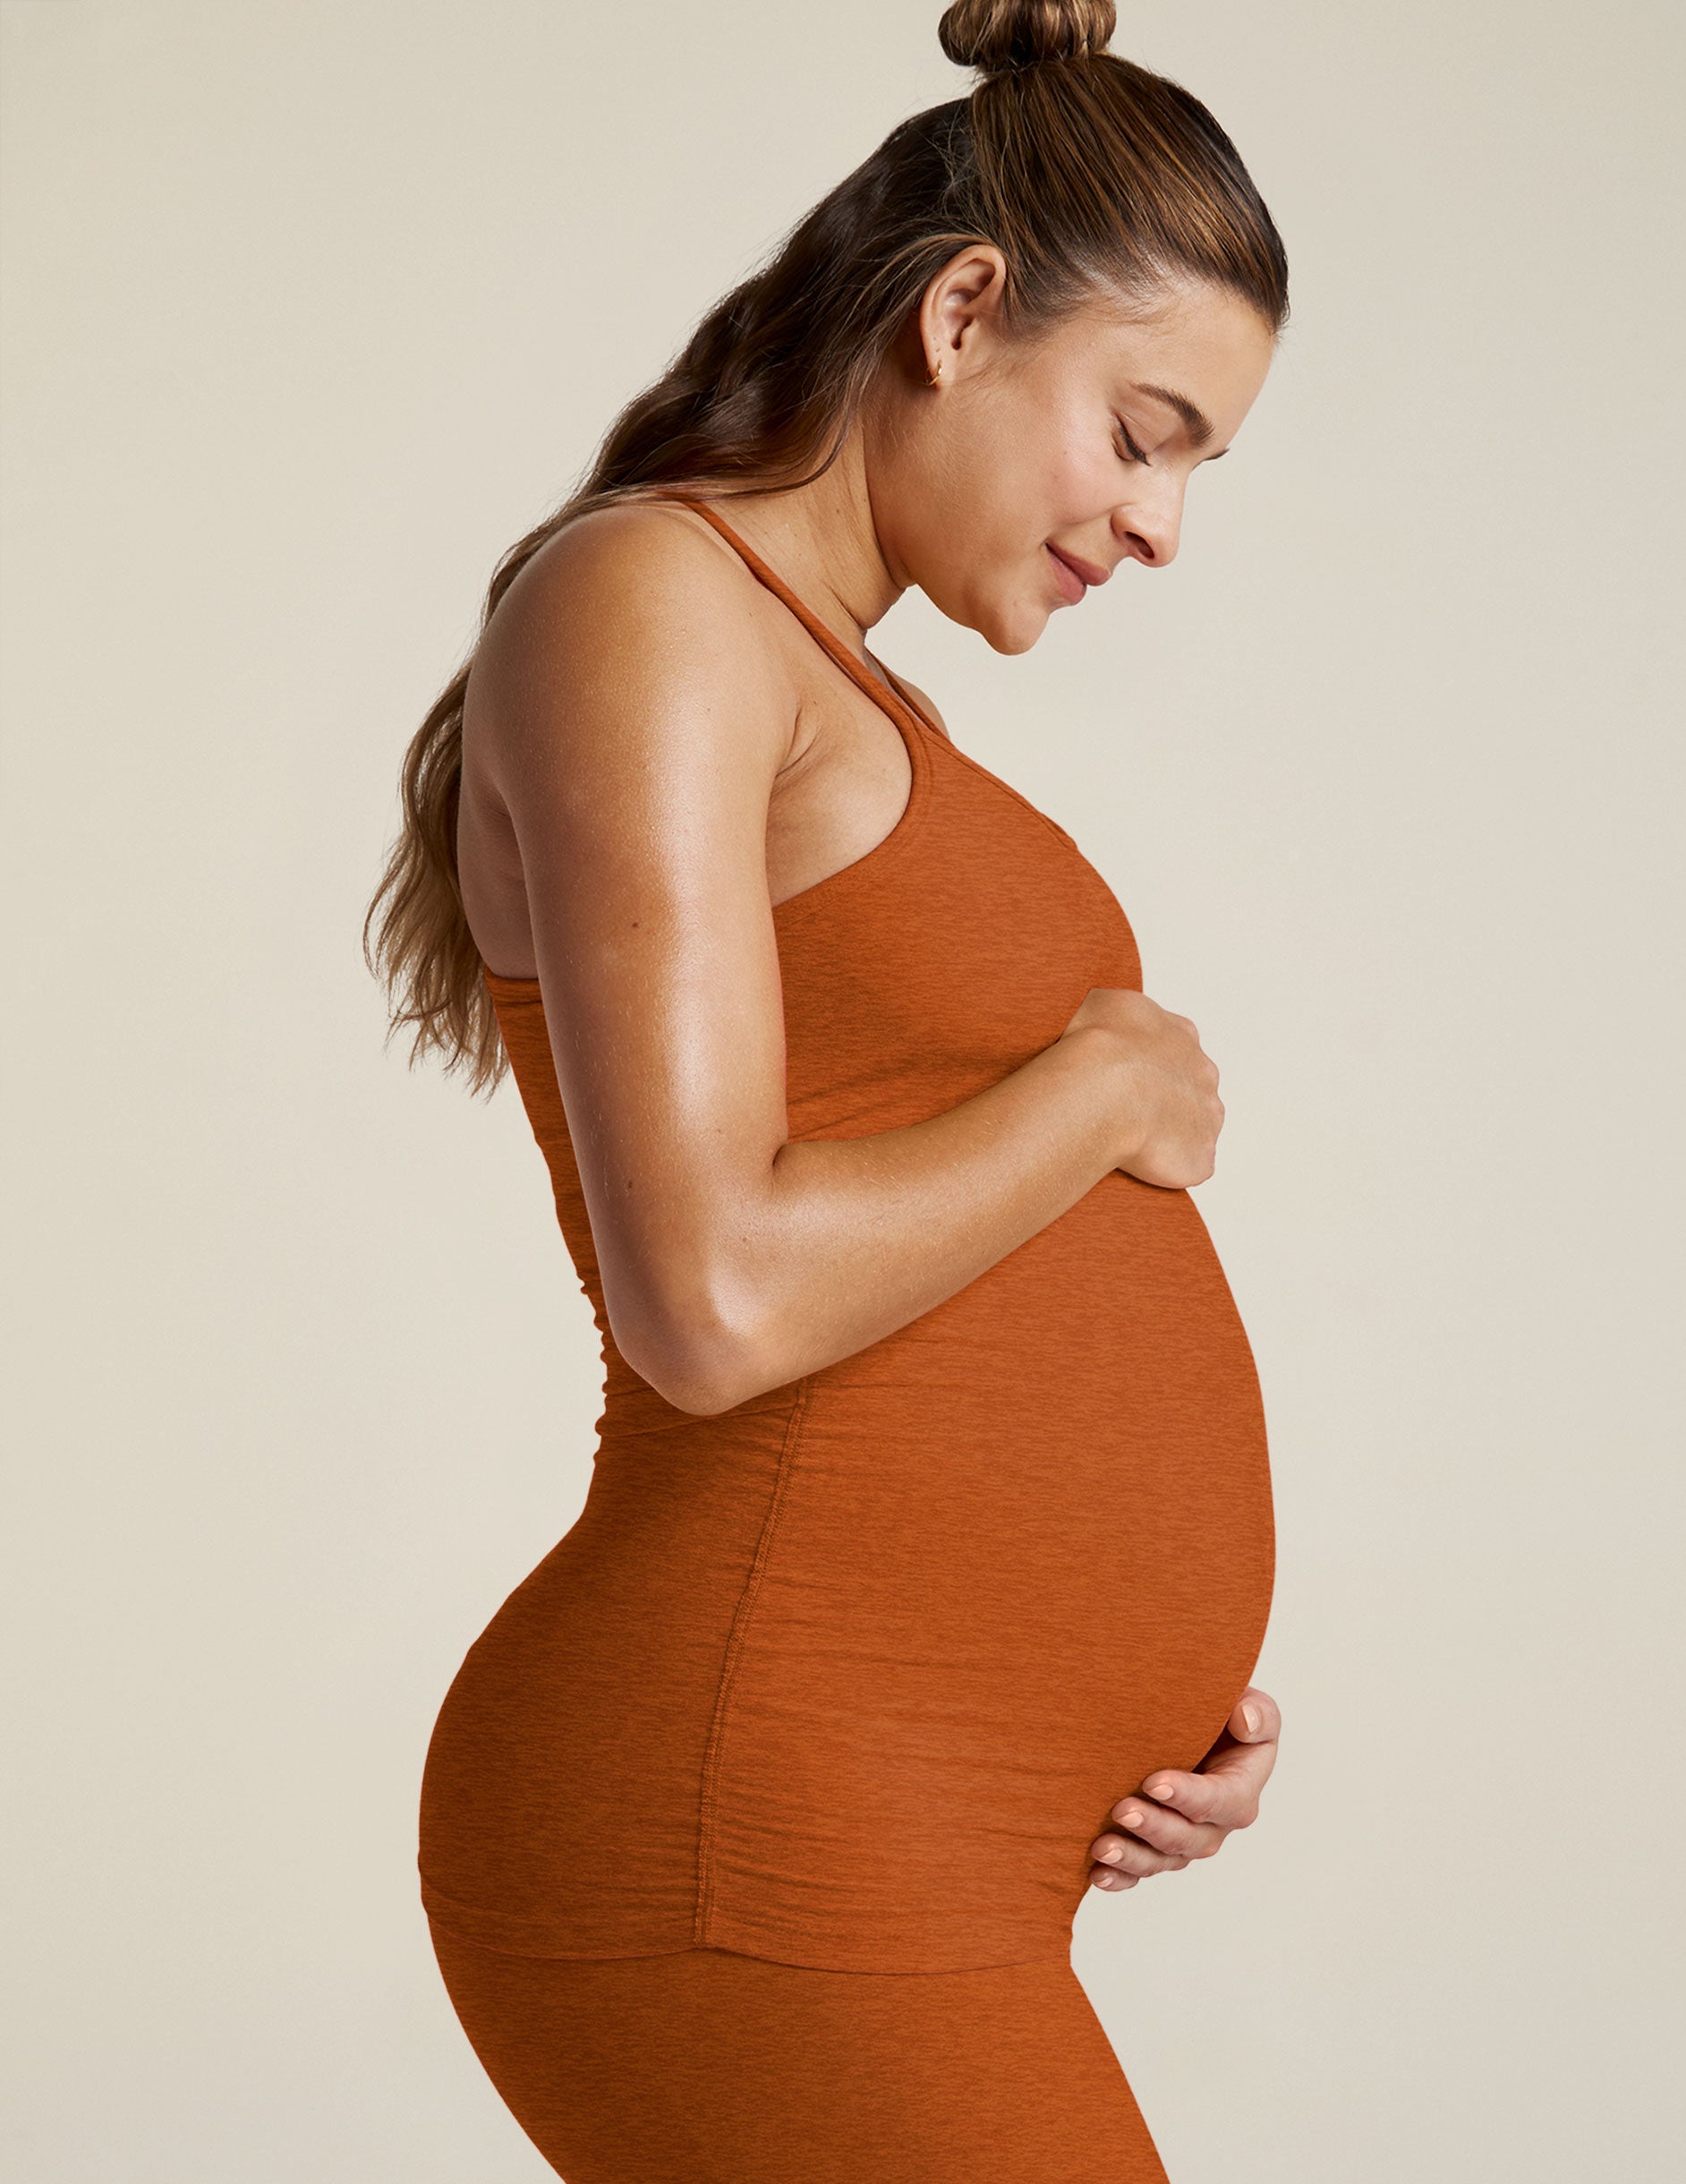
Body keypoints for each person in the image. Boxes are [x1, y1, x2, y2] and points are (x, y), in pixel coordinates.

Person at [365, 3, 1290, 2176]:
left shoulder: (822, 671)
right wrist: (1102, 1080)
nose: (1161, 525)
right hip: (754, 1814)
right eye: (1143, 432)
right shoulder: (648, 603)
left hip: (907, 1815)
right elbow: (716, 1297)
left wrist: (1136, 1688)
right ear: (968, 312)